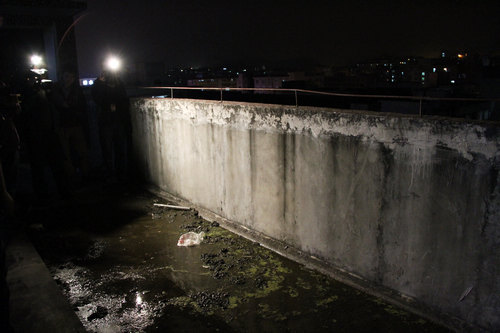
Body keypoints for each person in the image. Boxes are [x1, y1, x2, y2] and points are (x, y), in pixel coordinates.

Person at [51, 67, 90, 185]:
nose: (69, 79)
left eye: (71, 77)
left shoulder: (75, 91)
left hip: (75, 124)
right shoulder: (57, 90)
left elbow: (81, 107)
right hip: (63, 125)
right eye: (67, 76)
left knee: (81, 151)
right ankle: (71, 176)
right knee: (66, 153)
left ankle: (84, 175)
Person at [91, 70, 131, 183]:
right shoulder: (100, 85)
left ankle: (119, 173)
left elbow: (124, 99)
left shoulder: (119, 83)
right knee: (108, 150)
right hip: (106, 122)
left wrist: (116, 107)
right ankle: (111, 174)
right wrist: (100, 82)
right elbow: (96, 98)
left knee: (119, 149)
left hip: (117, 121)